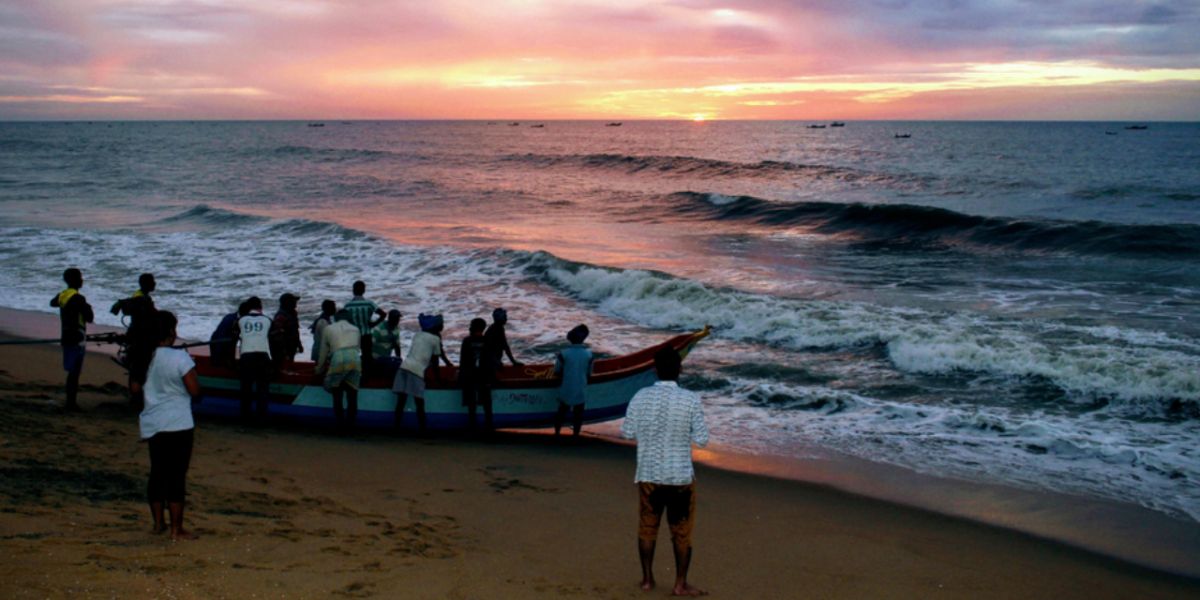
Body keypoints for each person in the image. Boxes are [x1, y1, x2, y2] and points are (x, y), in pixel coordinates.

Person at [620, 347, 709, 597]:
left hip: (649, 473)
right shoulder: (690, 399)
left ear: (655, 370)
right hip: (679, 476)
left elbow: (626, 432)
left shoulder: (640, 396)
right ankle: (680, 583)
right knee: (681, 533)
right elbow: (702, 440)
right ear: (680, 370)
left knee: (647, 527)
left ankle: (647, 580)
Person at [139, 310, 199, 541]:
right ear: (171, 332)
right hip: (178, 422)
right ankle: (177, 529)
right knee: (176, 475)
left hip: (153, 421)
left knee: (157, 472)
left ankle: (158, 524)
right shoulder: (179, 358)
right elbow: (194, 390)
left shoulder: (146, 356)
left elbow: (136, 388)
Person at [393, 313, 453, 432]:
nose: (443, 326)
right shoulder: (435, 339)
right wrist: (438, 379)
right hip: (416, 370)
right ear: (436, 327)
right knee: (419, 402)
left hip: (404, 367)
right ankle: (423, 429)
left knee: (401, 401)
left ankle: (396, 428)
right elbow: (436, 359)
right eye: (441, 325)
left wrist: (447, 362)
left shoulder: (418, 335)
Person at [49, 268, 94, 411]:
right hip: (77, 336)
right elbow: (90, 318)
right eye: (80, 277)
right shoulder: (79, 299)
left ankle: (71, 401)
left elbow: (53, 303)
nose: (82, 280)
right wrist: (87, 307)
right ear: (75, 280)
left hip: (66, 335)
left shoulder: (63, 295)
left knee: (71, 370)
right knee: (75, 372)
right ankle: (71, 403)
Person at [111, 273, 157, 407]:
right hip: (140, 338)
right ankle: (136, 398)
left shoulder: (142, 297)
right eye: (152, 281)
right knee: (139, 368)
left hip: (140, 336)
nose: (155, 284)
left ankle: (136, 396)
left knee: (138, 368)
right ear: (145, 284)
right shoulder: (140, 298)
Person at [316, 309, 363, 431]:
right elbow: (358, 348)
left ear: (335, 318)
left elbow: (323, 352)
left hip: (338, 358)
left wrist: (319, 368)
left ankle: (340, 425)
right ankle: (351, 425)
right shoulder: (356, 329)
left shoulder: (329, 328)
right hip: (355, 358)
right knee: (352, 394)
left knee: (337, 393)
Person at [236, 296, 273, 423]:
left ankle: (245, 417)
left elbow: (236, 336)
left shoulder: (241, 320)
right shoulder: (268, 320)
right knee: (262, 388)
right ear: (261, 307)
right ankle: (261, 417)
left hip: (246, 355)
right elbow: (272, 339)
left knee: (246, 388)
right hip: (263, 355)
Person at [554, 324, 593, 437]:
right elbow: (589, 374)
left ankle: (557, 433)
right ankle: (575, 435)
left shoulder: (563, 354)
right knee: (578, 414)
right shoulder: (589, 355)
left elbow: (557, 371)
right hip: (581, 387)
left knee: (561, 412)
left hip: (566, 387)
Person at [458, 318, 491, 431]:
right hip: (484, 375)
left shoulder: (467, 341)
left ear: (473, 327)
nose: (469, 327)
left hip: (470, 376)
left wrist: (461, 376)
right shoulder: (487, 340)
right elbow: (489, 360)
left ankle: (473, 428)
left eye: (471, 325)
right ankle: (488, 428)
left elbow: (463, 361)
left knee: (472, 404)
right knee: (487, 404)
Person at [344, 280, 386, 366]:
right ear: (364, 291)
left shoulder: (348, 305)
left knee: (353, 355)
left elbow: (345, 321)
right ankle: (366, 376)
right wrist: (374, 324)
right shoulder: (369, 304)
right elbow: (383, 314)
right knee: (367, 357)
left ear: (353, 290)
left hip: (353, 334)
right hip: (366, 334)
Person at [269, 293, 303, 372]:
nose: (296, 304)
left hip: (291, 348)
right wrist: (284, 352)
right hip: (283, 350)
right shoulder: (281, 316)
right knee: (282, 369)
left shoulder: (292, 314)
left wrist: (299, 344)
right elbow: (277, 336)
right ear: (288, 303)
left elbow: (295, 331)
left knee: (288, 367)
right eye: (294, 302)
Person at [208, 300, 248, 369]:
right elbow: (220, 339)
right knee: (219, 365)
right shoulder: (229, 320)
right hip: (217, 343)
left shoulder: (242, 320)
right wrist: (216, 361)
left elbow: (234, 342)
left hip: (228, 343)